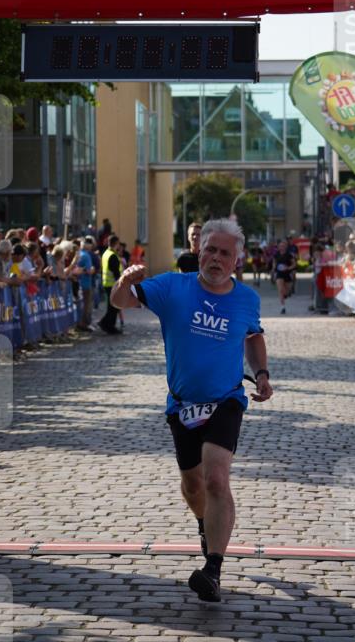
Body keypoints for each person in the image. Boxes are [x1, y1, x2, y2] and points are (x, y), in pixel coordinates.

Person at [110, 218, 273, 603]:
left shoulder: (246, 299)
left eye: (224, 253)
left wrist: (261, 373)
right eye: (210, 250)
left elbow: (253, 335)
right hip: (182, 404)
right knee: (193, 485)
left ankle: (212, 569)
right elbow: (121, 302)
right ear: (199, 252)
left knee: (217, 479)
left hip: (227, 399)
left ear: (236, 260)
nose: (215, 258)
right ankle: (204, 522)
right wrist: (124, 282)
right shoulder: (171, 287)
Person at [97, 233, 123, 334]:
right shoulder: (112, 255)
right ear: (116, 243)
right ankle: (108, 325)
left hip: (107, 283)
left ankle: (106, 324)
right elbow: (115, 271)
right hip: (113, 284)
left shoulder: (106, 253)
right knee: (114, 306)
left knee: (112, 306)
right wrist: (121, 283)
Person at [272, 240, 296, 315]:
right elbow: (274, 263)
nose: (281, 247)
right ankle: (283, 307)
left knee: (287, 290)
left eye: (283, 246)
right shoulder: (276, 255)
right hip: (279, 273)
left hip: (287, 273)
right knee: (280, 290)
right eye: (280, 246)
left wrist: (288, 268)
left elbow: (294, 264)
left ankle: (286, 294)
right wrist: (273, 270)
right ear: (278, 247)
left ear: (286, 247)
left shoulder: (289, 255)